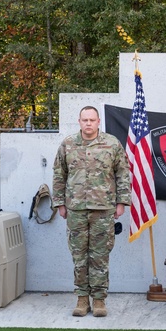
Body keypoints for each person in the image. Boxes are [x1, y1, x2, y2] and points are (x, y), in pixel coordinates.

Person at [52, 105, 130, 317]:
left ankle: (99, 300)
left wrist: (122, 202)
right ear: (79, 122)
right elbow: (59, 174)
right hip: (75, 208)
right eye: (84, 120)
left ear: (98, 122)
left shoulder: (112, 144)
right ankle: (81, 299)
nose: (88, 123)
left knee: (100, 256)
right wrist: (59, 203)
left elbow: (123, 173)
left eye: (92, 120)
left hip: (103, 209)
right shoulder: (68, 144)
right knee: (79, 255)